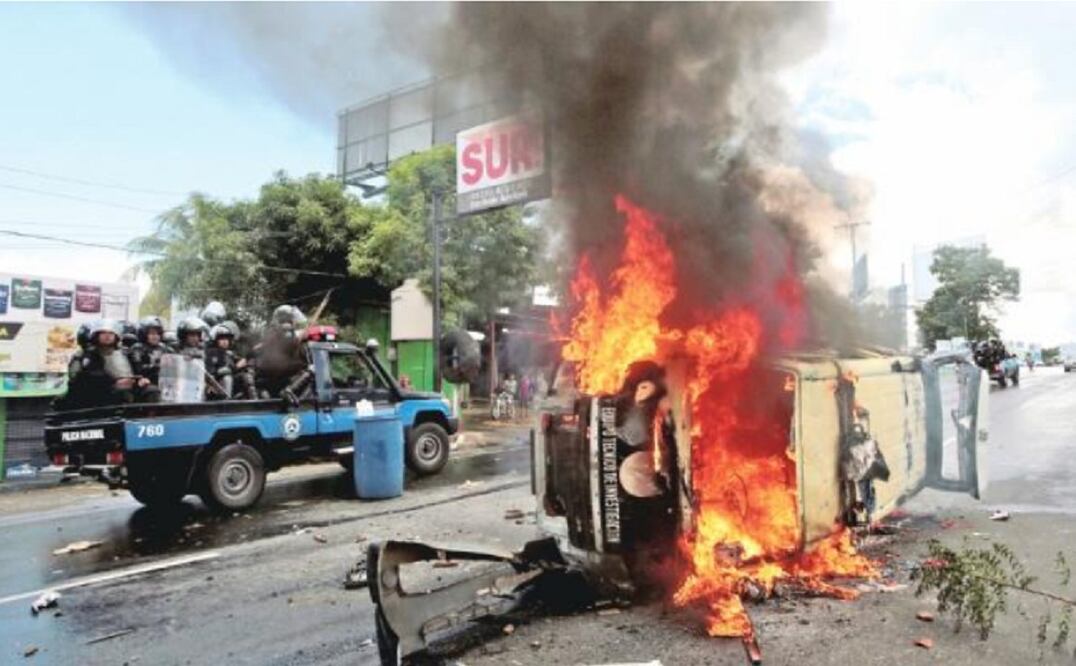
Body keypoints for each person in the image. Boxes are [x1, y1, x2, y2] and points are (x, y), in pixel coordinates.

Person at [128, 316, 171, 389]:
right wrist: (158, 366)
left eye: (158, 334)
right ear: (143, 334)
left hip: (164, 381)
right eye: (151, 333)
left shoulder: (165, 348)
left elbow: (175, 365)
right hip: (144, 381)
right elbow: (138, 369)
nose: (155, 336)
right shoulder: (137, 348)